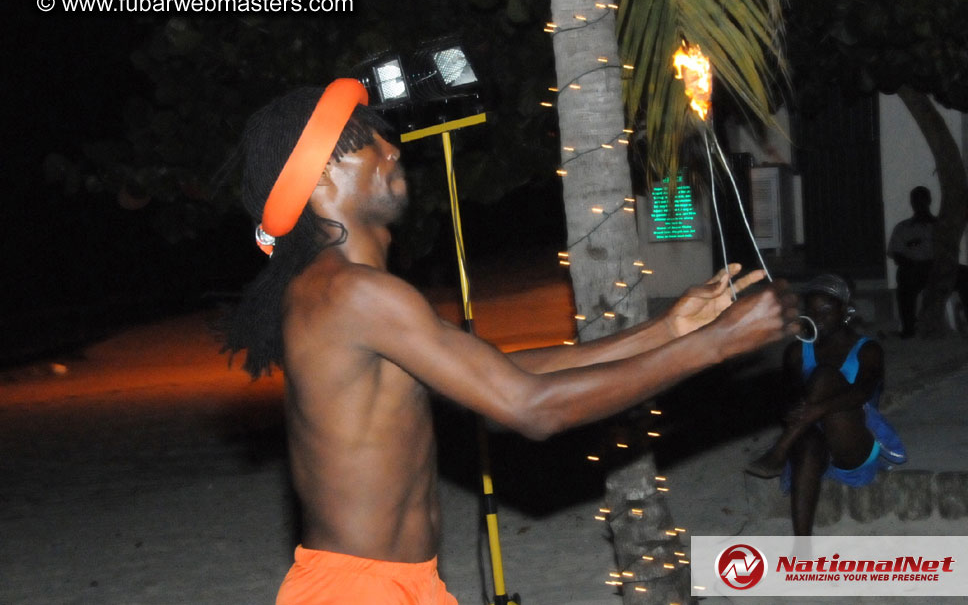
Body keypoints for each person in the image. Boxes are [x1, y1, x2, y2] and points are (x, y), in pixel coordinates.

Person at [224, 80, 799, 604]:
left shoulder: (349, 292)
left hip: (399, 583)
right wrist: (717, 345)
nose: (392, 148)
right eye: (364, 142)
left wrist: (668, 330)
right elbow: (530, 409)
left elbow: (503, 372)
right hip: (358, 591)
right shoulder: (353, 292)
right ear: (319, 179)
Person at [745, 274, 906, 535]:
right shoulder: (797, 352)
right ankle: (802, 547)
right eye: (813, 312)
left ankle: (780, 450)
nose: (818, 318)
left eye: (826, 311)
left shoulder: (868, 349)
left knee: (825, 376)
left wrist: (816, 410)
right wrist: (792, 410)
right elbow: (785, 401)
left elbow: (863, 393)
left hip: (852, 438)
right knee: (808, 443)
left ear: (845, 310)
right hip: (813, 437)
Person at [887, 186, 937, 338]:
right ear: (911, 203)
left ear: (929, 201)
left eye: (922, 200)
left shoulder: (941, 226)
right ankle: (908, 328)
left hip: (938, 268)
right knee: (905, 278)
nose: (919, 204)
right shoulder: (903, 228)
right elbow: (896, 254)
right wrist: (914, 264)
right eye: (915, 200)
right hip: (914, 269)